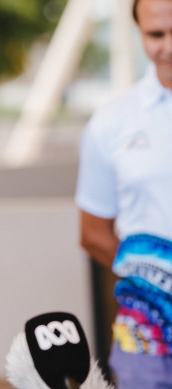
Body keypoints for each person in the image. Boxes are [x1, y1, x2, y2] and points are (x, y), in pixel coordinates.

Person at [75, 0, 172, 387]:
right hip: (145, 333)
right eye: (156, 34)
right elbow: (92, 233)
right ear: (139, 33)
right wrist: (155, 281)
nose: (169, 46)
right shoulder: (112, 121)